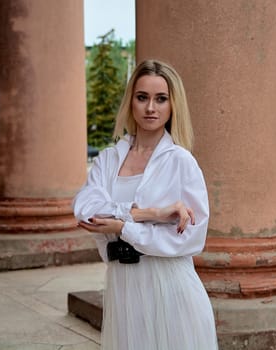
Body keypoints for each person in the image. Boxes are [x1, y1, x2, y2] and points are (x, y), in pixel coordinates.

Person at [73, 59, 218, 350]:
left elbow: (191, 239)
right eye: (142, 98)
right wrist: (152, 213)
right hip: (123, 287)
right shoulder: (108, 159)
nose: (151, 108)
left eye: (161, 99)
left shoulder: (181, 162)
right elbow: (85, 211)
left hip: (170, 286)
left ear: (172, 105)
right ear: (131, 102)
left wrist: (125, 228)